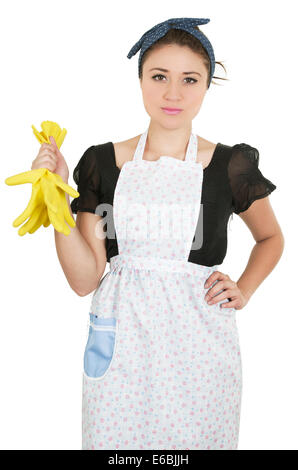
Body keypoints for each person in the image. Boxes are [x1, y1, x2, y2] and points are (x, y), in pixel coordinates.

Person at [31, 18, 284, 451]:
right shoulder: (103, 163)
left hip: (201, 351)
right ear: (141, 79)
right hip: (122, 349)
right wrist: (55, 200)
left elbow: (271, 238)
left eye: (190, 79)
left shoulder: (229, 166)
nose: (173, 93)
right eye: (159, 76)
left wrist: (244, 288)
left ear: (207, 85)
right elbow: (83, 279)